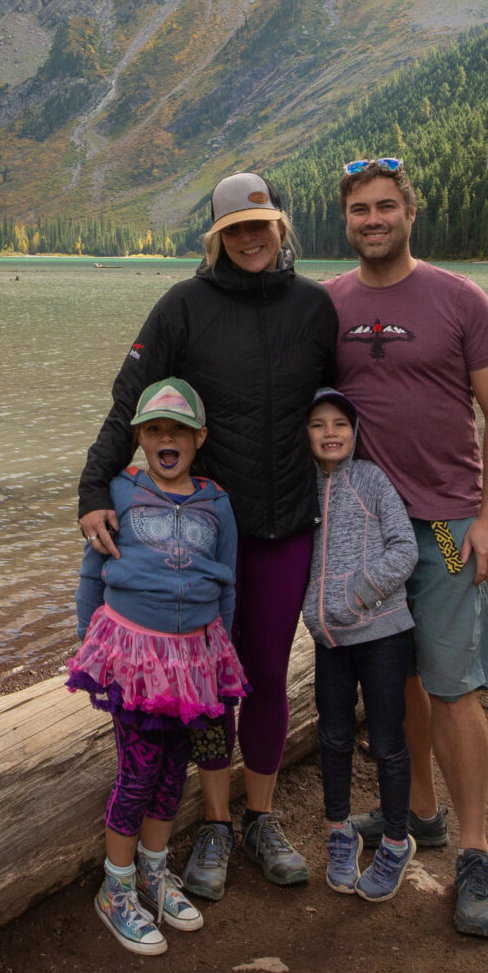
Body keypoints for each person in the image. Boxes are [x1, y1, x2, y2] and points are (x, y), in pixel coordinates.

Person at [79, 170, 337, 900]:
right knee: (210, 679)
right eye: (235, 229)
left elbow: (346, 410)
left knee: (265, 672)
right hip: (203, 528)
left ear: (280, 227)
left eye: (262, 225)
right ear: (217, 238)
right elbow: (129, 400)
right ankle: (217, 822)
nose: (251, 238)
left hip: (286, 524)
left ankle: (261, 817)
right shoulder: (182, 307)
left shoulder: (315, 307)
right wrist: (93, 490)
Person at [327, 158, 488, 939]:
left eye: (385, 206)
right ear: (346, 220)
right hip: (365, 530)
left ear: (410, 211)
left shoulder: (460, 299)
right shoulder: (330, 304)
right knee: (392, 675)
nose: (373, 219)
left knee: (451, 682)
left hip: (442, 524)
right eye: (360, 209)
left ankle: (475, 851)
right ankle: (419, 812)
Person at [68, 377, 245, 955]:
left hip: (193, 660)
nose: (167, 439)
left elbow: (226, 582)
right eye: (154, 430)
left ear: (200, 438)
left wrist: (219, 653)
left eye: (179, 431)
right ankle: (115, 889)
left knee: (173, 772)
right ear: (139, 438)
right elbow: (93, 573)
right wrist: (91, 644)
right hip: (136, 659)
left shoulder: (217, 503)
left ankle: (152, 871)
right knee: (139, 771)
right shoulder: (119, 492)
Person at [300, 386, 420, 902]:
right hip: (329, 639)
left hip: (382, 634)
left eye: (340, 424)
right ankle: (339, 834)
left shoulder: (370, 479)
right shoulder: (302, 487)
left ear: (355, 432)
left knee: (388, 741)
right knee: (333, 738)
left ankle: (395, 841)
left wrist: (358, 594)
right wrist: (315, 610)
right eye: (318, 424)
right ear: (304, 434)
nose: (330, 433)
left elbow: (406, 549)